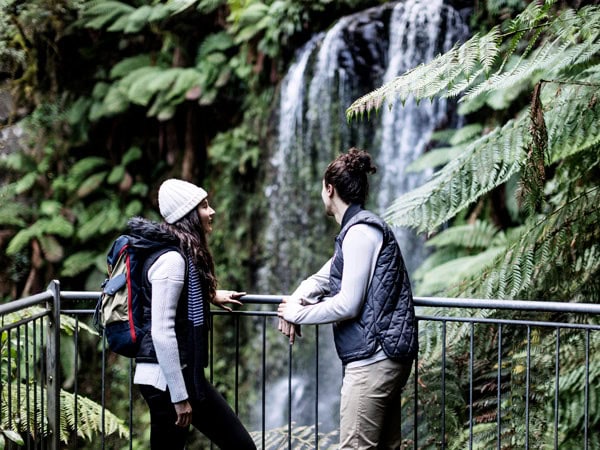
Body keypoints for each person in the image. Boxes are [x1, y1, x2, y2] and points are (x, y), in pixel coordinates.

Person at [277, 148, 418, 449]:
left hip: (373, 360)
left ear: (329, 189)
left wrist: (296, 314)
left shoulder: (360, 233)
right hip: (385, 355)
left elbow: (347, 303)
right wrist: (296, 299)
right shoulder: (359, 230)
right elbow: (322, 278)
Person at [129, 178, 256, 449]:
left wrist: (211, 296)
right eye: (204, 207)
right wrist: (179, 397)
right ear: (188, 216)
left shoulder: (180, 254)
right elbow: (162, 332)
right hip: (166, 380)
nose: (211, 212)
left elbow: (179, 297)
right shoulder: (172, 260)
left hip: (182, 374)